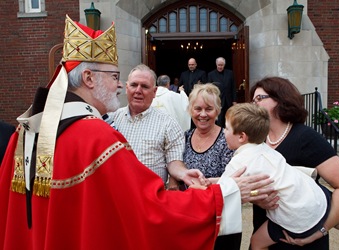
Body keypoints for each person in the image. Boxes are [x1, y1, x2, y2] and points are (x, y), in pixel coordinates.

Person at [0, 15, 275, 249]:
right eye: (115, 77)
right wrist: (223, 192)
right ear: (88, 78)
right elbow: (149, 212)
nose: (120, 87)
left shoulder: (24, 133)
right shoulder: (95, 137)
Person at [221, 103, 339, 250]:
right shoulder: (265, 148)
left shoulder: (237, 163)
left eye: (227, 128)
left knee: (257, 242)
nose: (223, 131)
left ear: (242, 136)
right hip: (313, 197)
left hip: (296, 216)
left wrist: (206, 183)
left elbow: (222, 191)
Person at [249, 76, 339, 250]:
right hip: (265, 229)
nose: (253, 104)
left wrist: (320, 231)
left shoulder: (305, 137)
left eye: (260, 98)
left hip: (301, 239)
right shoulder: (256, 140)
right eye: (252, 100)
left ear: (280, 100)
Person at [108, 65, 192, 190]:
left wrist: (183, 174)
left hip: (151, 199)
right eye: (133, 85)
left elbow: (174, 161)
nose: (138, 90)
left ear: (154, 92)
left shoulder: (168, 124)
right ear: (126, 88)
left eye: (145, 86)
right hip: (117, 196)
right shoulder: (111, 120)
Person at [183, 83, 240, 250]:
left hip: (222, 219)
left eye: (209, 109)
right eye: (197, 108)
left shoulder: (227, 139)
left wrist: (208, 183)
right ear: (190, 110)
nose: (202, 114)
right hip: (191, 217)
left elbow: (234, 178)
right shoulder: (185, 137)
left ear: (217, 111)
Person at [207, 57, 237, 127]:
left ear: (224, 65)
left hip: (228, 100)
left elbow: (233, 87)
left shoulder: (230, 73)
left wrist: (234, 100)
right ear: (216, 64)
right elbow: (209, 90)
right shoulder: (211, 75)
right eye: (219, 65)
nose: (220, 67)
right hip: (218, 101)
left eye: (222, 65)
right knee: (219, 120)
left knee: (229, 118)